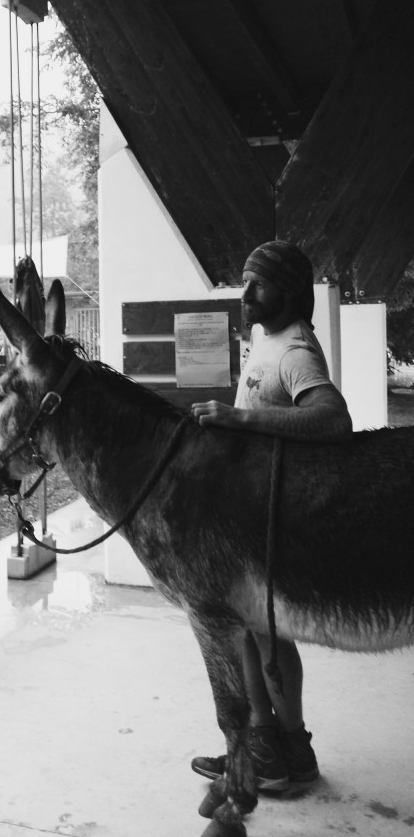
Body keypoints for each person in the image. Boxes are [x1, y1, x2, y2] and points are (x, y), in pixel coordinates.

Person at [189, 239, 353, 791]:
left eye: (259, 284)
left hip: (274, 518)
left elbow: (334, 420)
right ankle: (284, 753)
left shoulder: (295, 353)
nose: (247, 293)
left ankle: (272, 751)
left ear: (288, 292)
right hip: (252, 515)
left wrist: (240, 420)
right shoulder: (267, 338)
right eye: (246, 280)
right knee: (256, 636)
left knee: (262, 636)